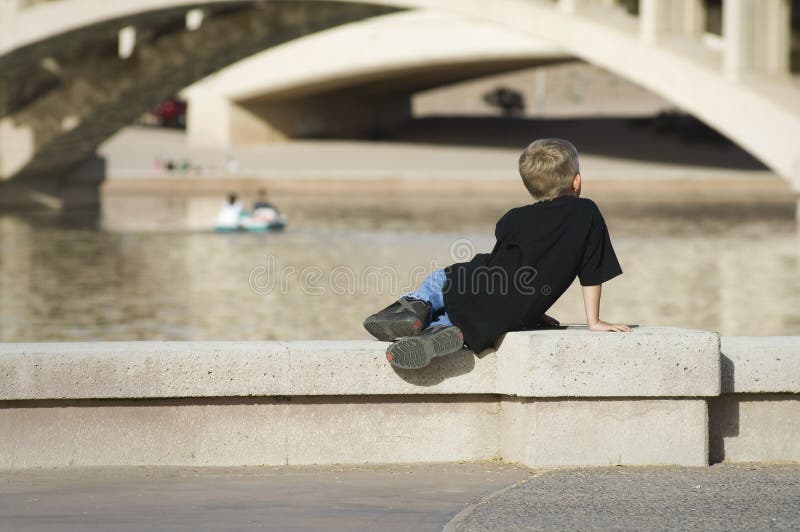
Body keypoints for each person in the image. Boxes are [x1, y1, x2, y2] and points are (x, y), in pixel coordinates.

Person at [364, 138, 630, 370]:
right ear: (577, 181)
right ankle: (441, 331)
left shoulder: (513, 219)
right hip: (519, 314)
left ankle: (414, 308)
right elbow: (591, 271)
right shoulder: (587, 214)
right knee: (469, 315)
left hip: (486, 288)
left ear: (531, 187)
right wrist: (592, 321)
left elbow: (506, 266)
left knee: (441, 280)